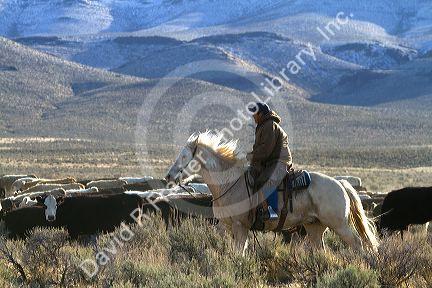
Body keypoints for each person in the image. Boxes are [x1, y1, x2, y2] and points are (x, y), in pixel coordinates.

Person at [247, 102, 292, 222]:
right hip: (270, 162)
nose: (253, 117)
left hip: (279, 162)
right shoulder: (263, 125)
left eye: (254, 114)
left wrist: (249, 157)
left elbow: (265, 150)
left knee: (264, 179)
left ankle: (271, 210)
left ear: (261, 114)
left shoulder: (269, 125)